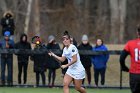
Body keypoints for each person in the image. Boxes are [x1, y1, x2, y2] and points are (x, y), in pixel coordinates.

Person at [120, 26, 140, 93]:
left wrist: (124, 67)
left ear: (137, 33)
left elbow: (121, 58)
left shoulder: (130, 43)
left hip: (135, 74)